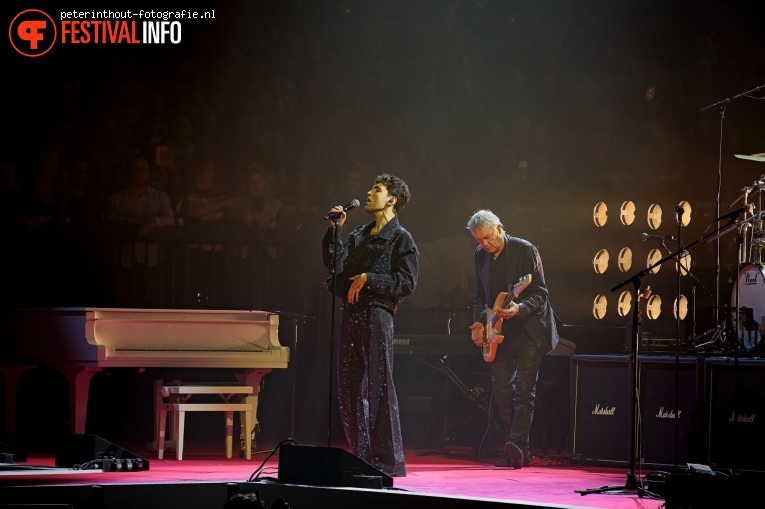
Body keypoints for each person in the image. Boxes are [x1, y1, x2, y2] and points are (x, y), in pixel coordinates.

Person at [321, 173, 419, 477]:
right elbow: (335, 263)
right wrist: (335, 231)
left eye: (376, 190)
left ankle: (386, 461)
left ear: (391, 199)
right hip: (351, 313)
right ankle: (362, 458)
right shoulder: (360, 233)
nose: (368, 192)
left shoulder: (400, 238)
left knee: (379, 388)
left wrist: (370, 279)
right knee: (349, 390)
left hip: (377, 315)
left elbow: (407, 282)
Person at [466, 209, 559, 469]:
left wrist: (519, 308)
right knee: (502, 392)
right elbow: (479, 294)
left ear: (499, 227)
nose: (484, 244)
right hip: (499, 332)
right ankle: (513, 446)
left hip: (529, 329)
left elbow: (540, 292)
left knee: (523, 391)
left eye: (487, 238)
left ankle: (519, 449)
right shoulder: (480, 256)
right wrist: (478, 323)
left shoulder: (524, 250)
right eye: (478, 241)